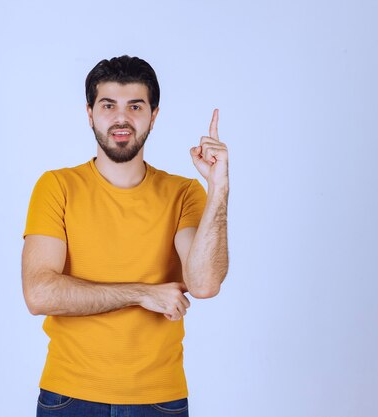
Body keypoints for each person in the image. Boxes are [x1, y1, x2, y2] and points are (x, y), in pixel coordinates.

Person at [21, 55, 229, 417]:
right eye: (108, 105)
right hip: (69, 397)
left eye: (135, 106)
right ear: (90, 114)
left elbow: (205, 283)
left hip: (159, 400)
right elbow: (39, 293)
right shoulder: (56, 187)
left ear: (154, 115)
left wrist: (219, 187)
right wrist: (141, 294)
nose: (121, 118)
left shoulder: (184, 193)